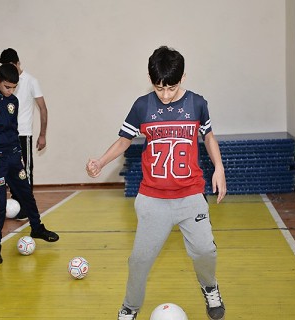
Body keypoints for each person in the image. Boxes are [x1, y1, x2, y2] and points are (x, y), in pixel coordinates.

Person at [86, 46, 227, 320]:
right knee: (139, 261)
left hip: (190, 195)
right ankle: (130, 307)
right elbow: (124, 140)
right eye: (159, 88)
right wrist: (101, 162)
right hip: (153, 198)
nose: (165, 95)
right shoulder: (142, 106)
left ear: (183, 77)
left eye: (171, 88)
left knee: (205, 250)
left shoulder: (197, 103)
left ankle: (210, 287)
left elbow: (208, 136)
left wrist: (219, 167)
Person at [0, 63, 59, 265]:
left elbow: (14, 129)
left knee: (26, 193)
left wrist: (18, 154)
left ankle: (37, 227)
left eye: (14, 87)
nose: (11, 91)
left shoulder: (14, 102)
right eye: (7, 87)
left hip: (13, 157)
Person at [0, 48, 48, 220]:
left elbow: (42, 108)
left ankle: (26, 207)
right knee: (8, 170)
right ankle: (15, 203)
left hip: (23, 133)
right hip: (6, 135)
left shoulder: (31, 81)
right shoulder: (3, 82)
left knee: (25, 170)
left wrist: (42, 134)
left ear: (18, 63)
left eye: (10, 65)